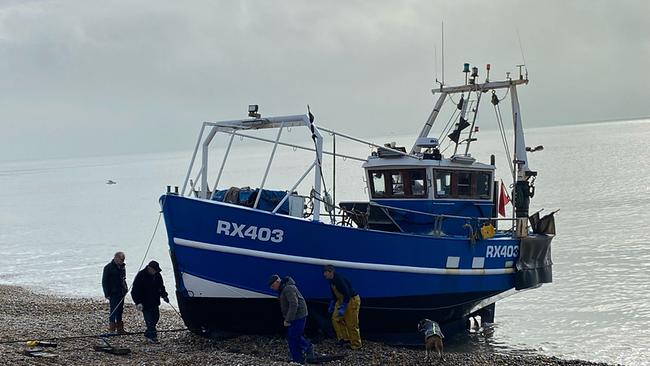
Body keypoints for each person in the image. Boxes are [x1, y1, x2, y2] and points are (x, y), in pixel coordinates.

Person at [268, 274, 314, 364]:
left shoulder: (288, 288)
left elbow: (294, 304)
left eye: (273, 286)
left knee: (294, 336)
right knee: (292, 337)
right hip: (295, 316)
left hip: (299, 315)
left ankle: (307, 348)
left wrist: (288, 319)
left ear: (277, 282)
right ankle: (297, 358)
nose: (272, 288)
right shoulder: (283, 289)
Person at [323, 264, 361, 350]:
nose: (324, 274)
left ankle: (356, 344)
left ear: (331, 272)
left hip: (351, 300)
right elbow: (334, 293)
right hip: (341, 300)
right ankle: (344, 338)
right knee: (335, 319)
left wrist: (343, 306)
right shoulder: (330, 280)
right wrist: (332, 303)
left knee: (352, 323)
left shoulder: (338, 280)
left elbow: (347, 293)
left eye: (326, 272)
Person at [131, 260, 169, 343]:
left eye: (156, 270)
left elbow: (161, 286)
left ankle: (148, 333)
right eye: (154, 270)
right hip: (145, 303)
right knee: (150, 321)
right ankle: (153, 337)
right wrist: (138, 303)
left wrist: (164, 295)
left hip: (155, 301)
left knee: (156, 318)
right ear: (149, 268)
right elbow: (135, 291)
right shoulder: (141, 275)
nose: (155, 272)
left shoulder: (157, 275)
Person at [102, 251, 128, 334]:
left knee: (120, 310)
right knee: (113, 310)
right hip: (113, 292)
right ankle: (112, 329)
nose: (122, 261)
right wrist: (107, 294)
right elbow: (104, 281)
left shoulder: (123, 267)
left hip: (121, 292)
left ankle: (120, 329)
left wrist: (126, 289)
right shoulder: (108, 267)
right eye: (121, 259)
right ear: (116, 258)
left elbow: (124, 279)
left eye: (123, 259)